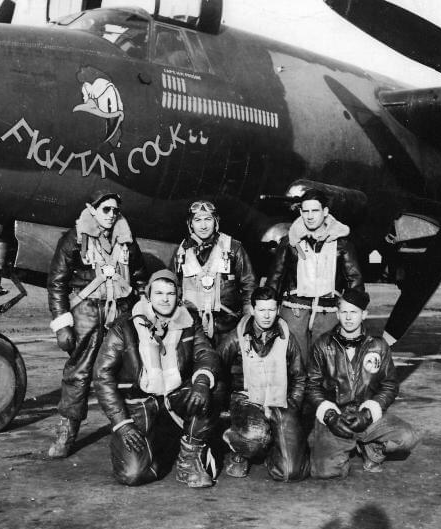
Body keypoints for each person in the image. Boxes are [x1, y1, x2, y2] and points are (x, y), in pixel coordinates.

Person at [92, 270, 222, 488]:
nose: (165, 299)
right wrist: (121, 424)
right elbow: (102, 376)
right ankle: (165, 447)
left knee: (212, 387)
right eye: (159, 293)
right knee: (132, 474)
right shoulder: (124, 327)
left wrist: (201, 382)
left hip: (175, 396)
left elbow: (206, 354)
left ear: (177, 296)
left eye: (170, 293)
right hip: (139, 403)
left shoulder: (189, 321)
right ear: (148, 296)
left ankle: (189, 454)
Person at [46, 190, 147, 458]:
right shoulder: (74, 239)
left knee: (130, 370)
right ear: (92, 209)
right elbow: (57, 282)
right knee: (78, 374)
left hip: (121, 314)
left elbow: (139, 277)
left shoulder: (126, 240)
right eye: (106, 210)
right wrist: (62, 324)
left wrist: (143, 315)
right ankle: (66, 433)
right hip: (87, 314)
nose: (111, 215)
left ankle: (136, 427)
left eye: (115, 210)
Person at [305, 289, 419, 478]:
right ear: (337, 313)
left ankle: (371, 448)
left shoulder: (378, 345)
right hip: (337, 418)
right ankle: (337, 443)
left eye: (354, 312)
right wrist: (330, 415)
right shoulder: (323, 344)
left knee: (408, 437)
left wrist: (369, 412)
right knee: (325, 472)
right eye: (344, 312)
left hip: (365, 416)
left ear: (364, 315)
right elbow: (312, 385)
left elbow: (390, 385)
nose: (349, 318)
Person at [216, 286, 310, 481]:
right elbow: (217, 366)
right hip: (247, 399)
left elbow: (300, 377)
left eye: (271, 310)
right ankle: (239, 444)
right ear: (252, 309)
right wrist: (223, 405)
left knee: (291, 471)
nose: (266, 316)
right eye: (261, 310)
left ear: (277, 310)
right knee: (256, 436)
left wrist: (292, 407)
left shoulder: (287, 337)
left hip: (279, 402)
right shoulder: (237, 336)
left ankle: (271, 450)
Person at [266, 188, 364, 363]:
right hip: (295, 313)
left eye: (315, 211)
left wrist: (355, 312)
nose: (310, 216)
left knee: (326, 366)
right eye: (306, 211)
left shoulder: (342, 244)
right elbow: (275, 279)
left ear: (325, 212)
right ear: (301, 212)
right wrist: (266, 309)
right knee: (294, 365)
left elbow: (354, 280)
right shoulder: (290, 243)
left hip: (328, 314)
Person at [171, 200, 257, 343]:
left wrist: (248, 322)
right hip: (192, 325)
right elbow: (173, 285)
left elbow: (249, 285)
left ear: (216, 221)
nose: (203, 226)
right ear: (190, 224)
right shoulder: (182, 252)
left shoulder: (233, 248)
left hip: (228, 325)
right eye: (197, 220)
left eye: (208, 219)